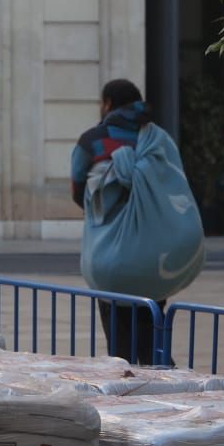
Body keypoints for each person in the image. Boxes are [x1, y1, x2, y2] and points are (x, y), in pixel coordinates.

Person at [69, 78, 171, 365]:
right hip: (154, 253)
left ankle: (127, 394)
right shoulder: (156, 138)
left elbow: (79, 191)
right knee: (153, 329)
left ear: (108, 104)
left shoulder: (92, 141)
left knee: (118, 337)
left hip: (111, 254)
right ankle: (160, 384)